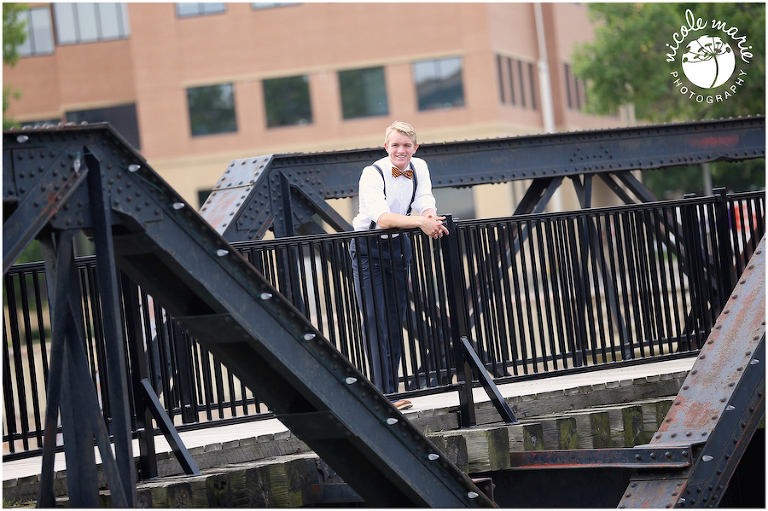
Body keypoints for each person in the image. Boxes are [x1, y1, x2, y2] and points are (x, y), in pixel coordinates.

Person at [350, 121, 449, 410]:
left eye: (406, 145)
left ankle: (391, 392)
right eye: (395, 145)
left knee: (395, 319)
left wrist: (431, 218)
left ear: (415, 148)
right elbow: (382, 219)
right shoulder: (372, 173)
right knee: (375, 318)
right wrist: (421, 223)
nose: (401, 150)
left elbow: (424, 199)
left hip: (398, 248)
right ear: (386, 147)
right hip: (368, 248)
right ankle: (383, 395)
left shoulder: (420, 167)